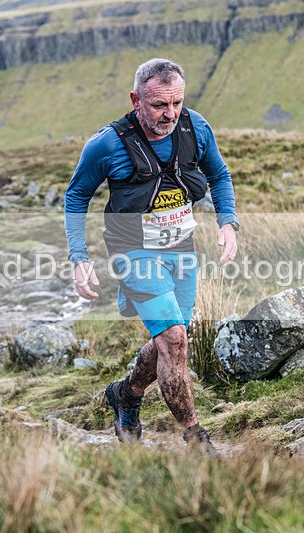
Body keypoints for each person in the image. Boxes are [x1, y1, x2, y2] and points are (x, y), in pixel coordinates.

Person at [64, 58, 240, 454]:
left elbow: (219, 175)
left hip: (182, 248)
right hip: (134, 251)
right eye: (160, 105)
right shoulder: (107, 144)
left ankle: (126, 394)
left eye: (176, 102)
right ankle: (197, 438)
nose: (170, 114)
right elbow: (76, 197)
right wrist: (79, 257)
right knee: (175, 340)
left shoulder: (196, 127)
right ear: (135, 99)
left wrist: (227, 222)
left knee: (171, 340)